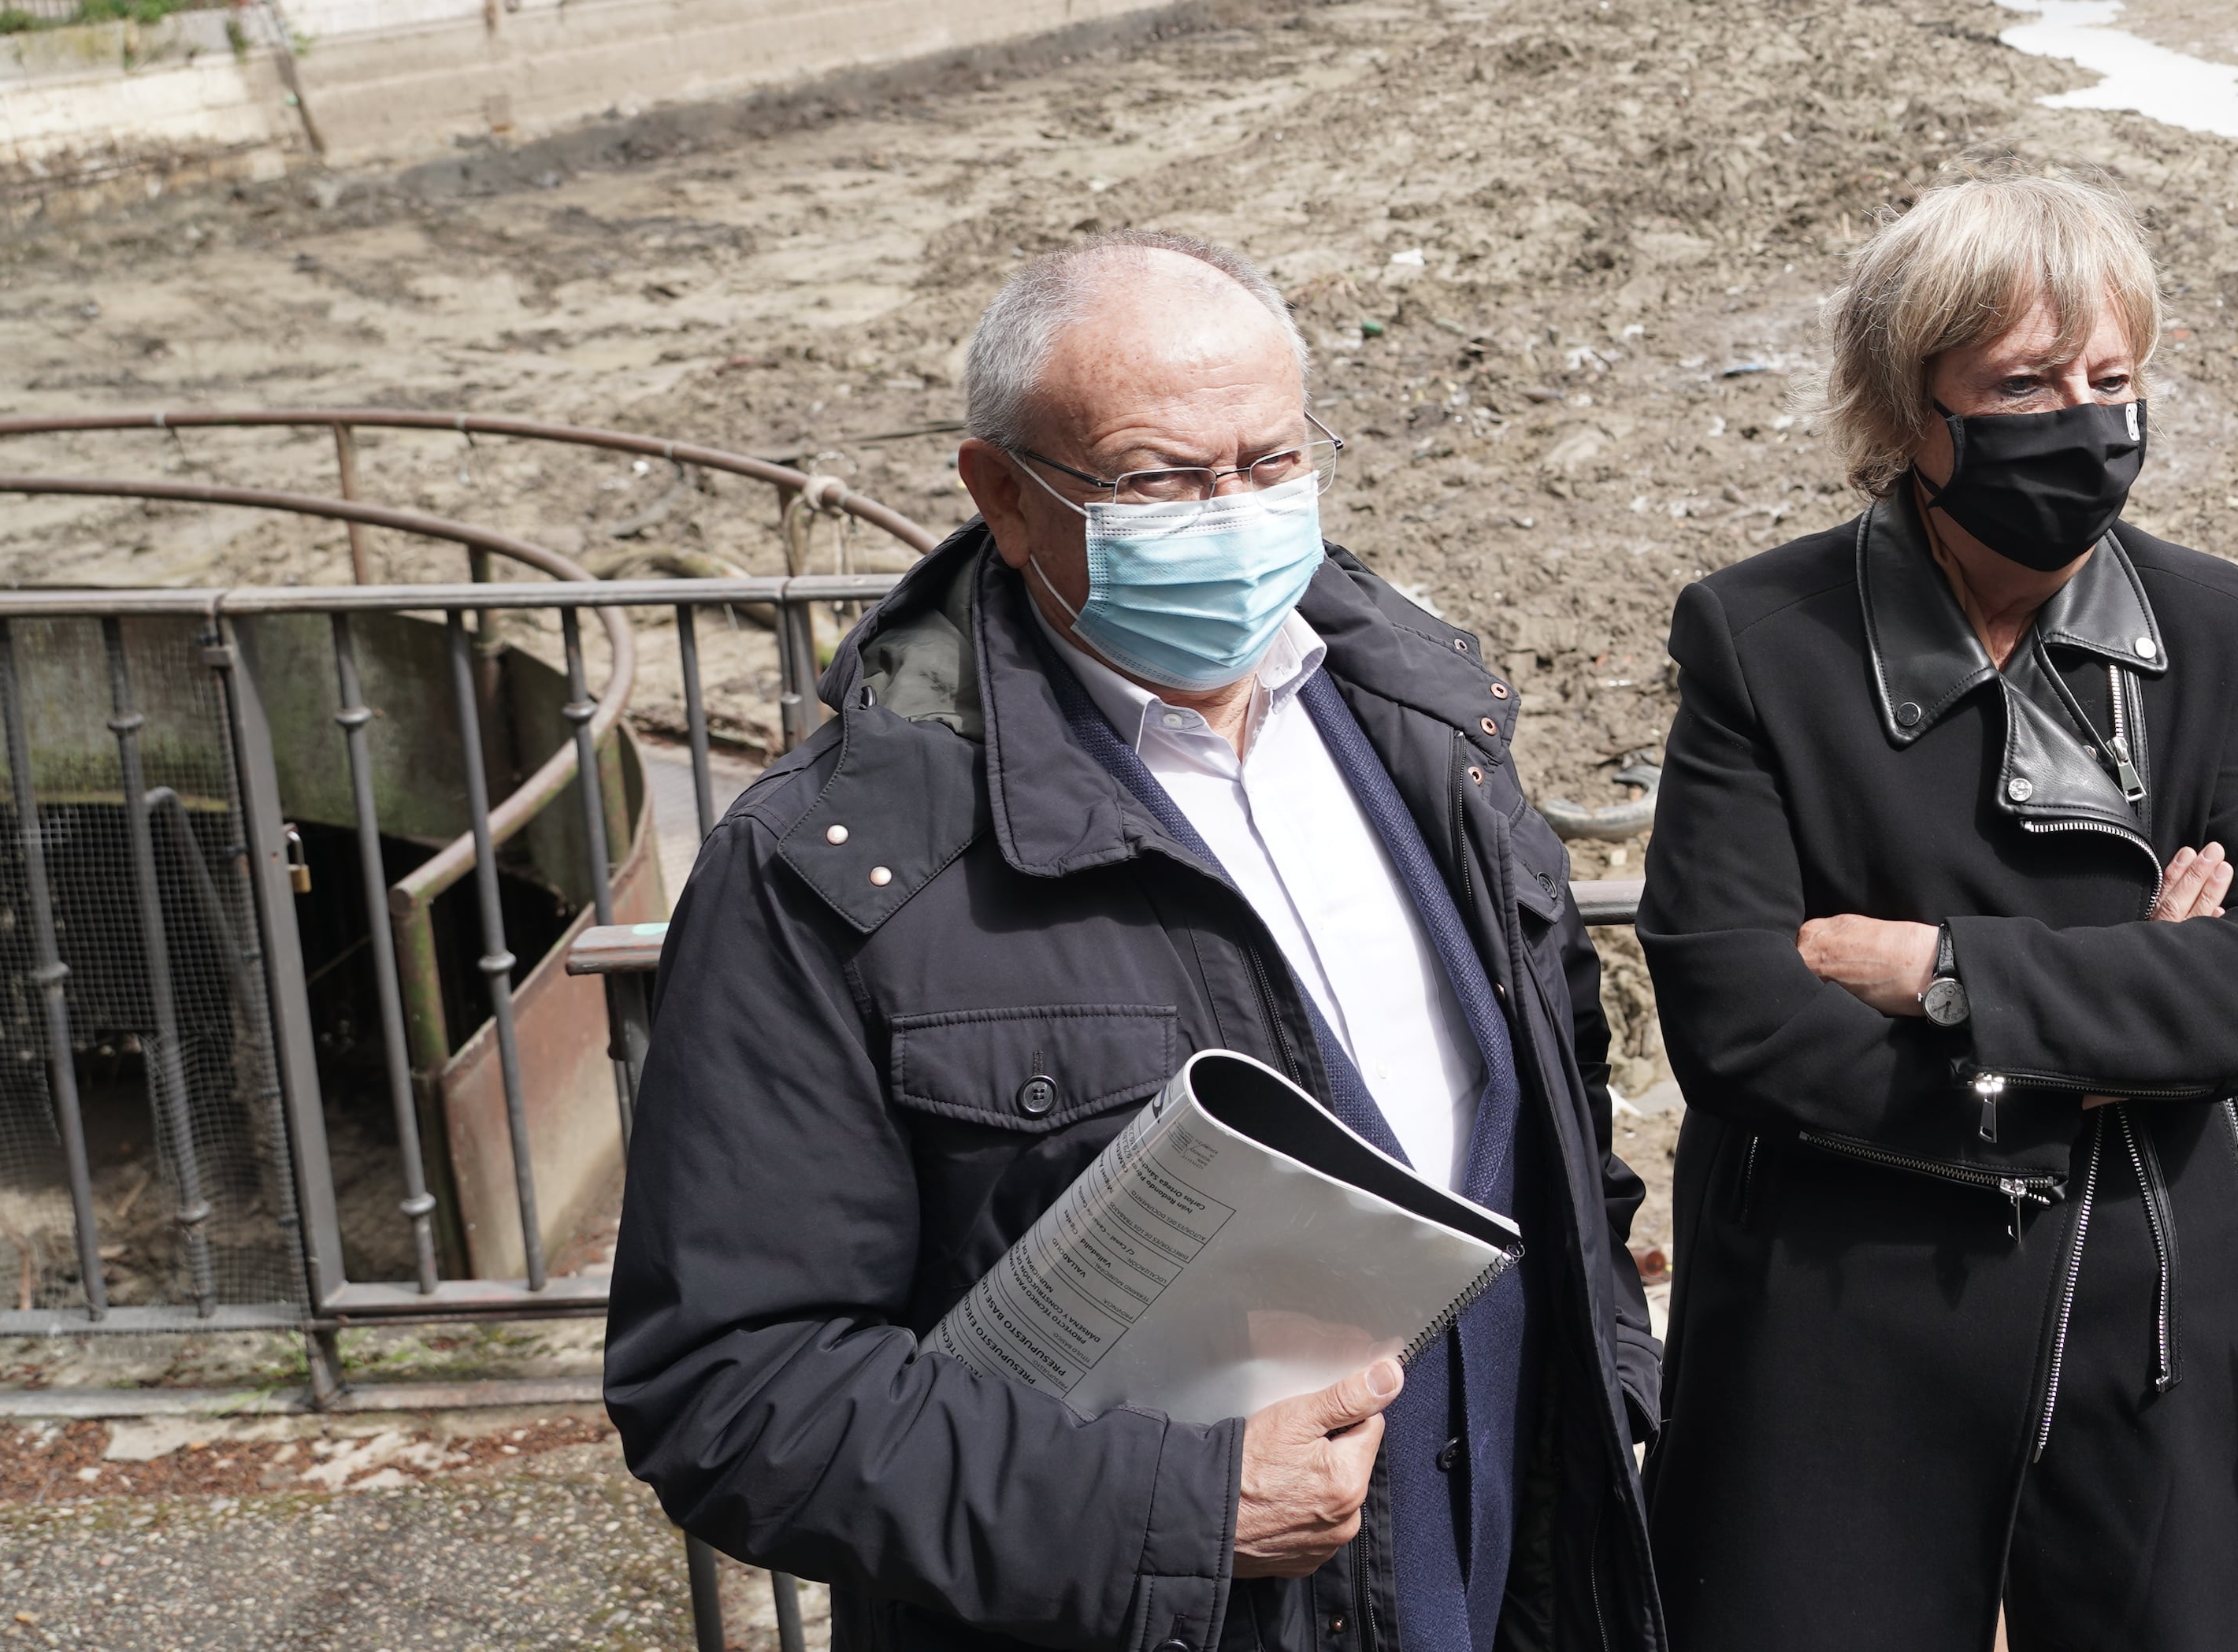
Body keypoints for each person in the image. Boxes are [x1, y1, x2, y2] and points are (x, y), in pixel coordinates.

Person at [607, 232, 1664, 1652]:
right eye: (1164, 478)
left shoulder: (1429, 732)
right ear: (1003, 494)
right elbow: (734, 1387)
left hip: (1498, 1584)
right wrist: (1179, 1508)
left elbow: (1554, 1108)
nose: (1234, 517)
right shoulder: (834, 870)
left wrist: (1612, 1373)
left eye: (1273, 462)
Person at [1636, 176, 2238, 1652]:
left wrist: (1941, 970)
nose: (2081, 416)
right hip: (1839, 1324)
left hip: (2144, 1321)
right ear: (1910, 411)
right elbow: (1736, 1019)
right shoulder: (1762, 641)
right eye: (2023, 382)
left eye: (2111, 377)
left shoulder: (2210, 624)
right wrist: (2132, 1007)